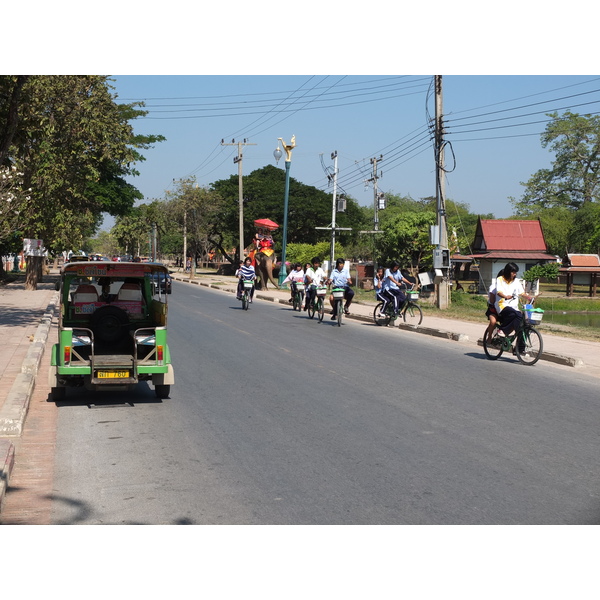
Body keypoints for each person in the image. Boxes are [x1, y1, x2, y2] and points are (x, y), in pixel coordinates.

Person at [494, 262, 534, 351]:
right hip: (502, 305)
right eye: (513, 272)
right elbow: (499, 291)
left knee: (522, 326)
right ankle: (502, 330)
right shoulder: (500, 279)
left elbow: (521, 293)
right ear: (508, 271)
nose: (515, 274)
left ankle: (519, 349)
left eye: (515, 272)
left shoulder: (516, 281)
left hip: (514, 307)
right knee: (515, 314)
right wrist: (505, 296)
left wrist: (529, 297)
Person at [485, 270, 504, 342]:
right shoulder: (493, 286)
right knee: (493, 322)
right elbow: (492, 300)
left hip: (503, 308)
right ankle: (489, 336)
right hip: (493, 309)